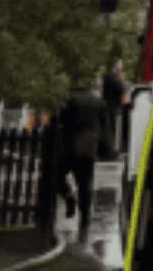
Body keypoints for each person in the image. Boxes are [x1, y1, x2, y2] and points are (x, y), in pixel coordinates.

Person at [56, 82, 113, 244]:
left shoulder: (69, 100)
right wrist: (107, 150)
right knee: (85, 184)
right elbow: (104, 128)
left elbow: (62, 122)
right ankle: (85, 220)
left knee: (57, 174)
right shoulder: (98, 102)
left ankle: (68, 196)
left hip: (70, 148)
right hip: (89, 149)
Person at [100, 61, 126, 149]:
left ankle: (109, 148)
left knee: (110, 128)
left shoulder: (108, 77)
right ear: (116, 68)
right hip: (111, 107)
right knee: (111, 129)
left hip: (109, 106)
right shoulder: (112, 78)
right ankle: (110, 148)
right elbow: (121, 89)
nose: (121, 71)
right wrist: (121, 80)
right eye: (120, 69)